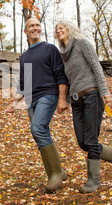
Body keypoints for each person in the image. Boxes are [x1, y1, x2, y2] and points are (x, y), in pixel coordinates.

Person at [55, 20, 112, 193]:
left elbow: (96, 66)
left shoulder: (82, 44)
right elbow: (65, 79)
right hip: (76, 101)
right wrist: (63, 100)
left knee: (91, 140)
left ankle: (93, 181)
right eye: (56, 30)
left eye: (61, 28)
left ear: (69, 29)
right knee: (83, 142)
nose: (58, 31)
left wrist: (105, 91)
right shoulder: (62, 54)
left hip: (92, 95)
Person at [6, 17, 69, 193]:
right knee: (39, 134)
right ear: (26, 32)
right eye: (31, 26)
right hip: (31, 100)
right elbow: (24, 83)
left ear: (40, 29)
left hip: (48, 95)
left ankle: (57, 173)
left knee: (38, 128)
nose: (35, 28)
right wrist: (14, 103)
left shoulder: (50, 49)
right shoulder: (25, 56)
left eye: (37, 25)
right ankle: (56, 174)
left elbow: (60, 74)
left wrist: (62, 98)